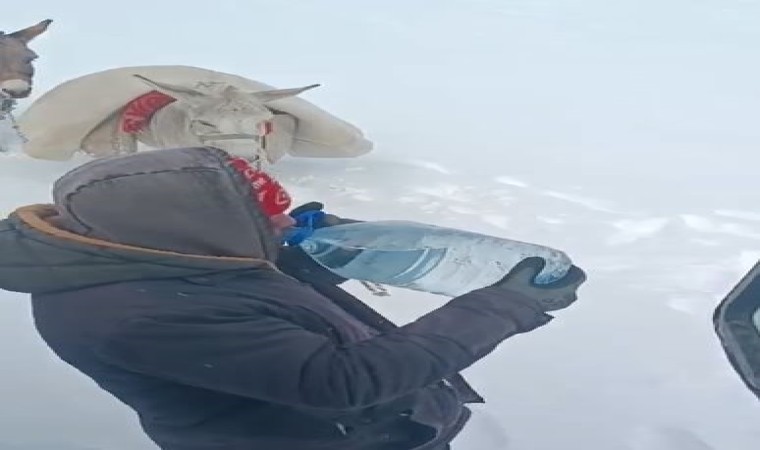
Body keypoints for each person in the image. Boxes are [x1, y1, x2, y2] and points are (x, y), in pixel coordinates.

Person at [0, 146, 586, 450]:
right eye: (266, 220)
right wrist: (504, 306)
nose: (283, 226)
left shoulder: (142, 248)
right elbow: (341, 381)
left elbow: (233, 290)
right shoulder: (133, 318)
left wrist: (303, 253)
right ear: (190, 227)